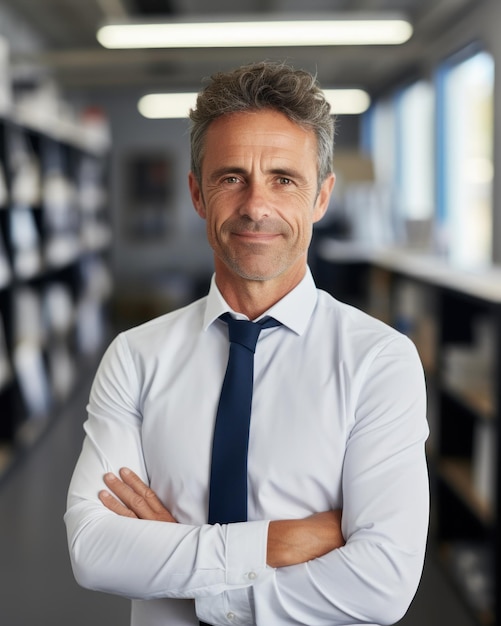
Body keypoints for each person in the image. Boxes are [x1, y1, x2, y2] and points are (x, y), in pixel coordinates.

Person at [65, 61, 429, 626]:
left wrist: (187, 562)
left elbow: (382, 583)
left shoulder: (379, 361)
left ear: (322, 197)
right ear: (196, 194)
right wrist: (279, 542)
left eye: (284, 179)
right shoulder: (135, 358)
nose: (256, 205)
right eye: (231, 176)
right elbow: (93, 551)